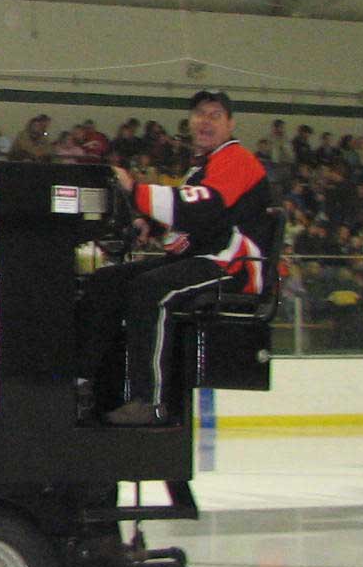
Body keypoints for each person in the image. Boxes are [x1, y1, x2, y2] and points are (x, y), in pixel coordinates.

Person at [79, 90, 274, 426]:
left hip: (233, 265)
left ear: (231, 124)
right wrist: (151, 225)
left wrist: (136, 190)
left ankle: (150, 402)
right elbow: (194, 221)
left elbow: (203, 206)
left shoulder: (236, 159)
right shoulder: (202, 167)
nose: (205, 121)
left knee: (151, 289)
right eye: (200, 114)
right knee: (107, 281)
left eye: (215, 115)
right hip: (205, 258)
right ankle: (83, 381)